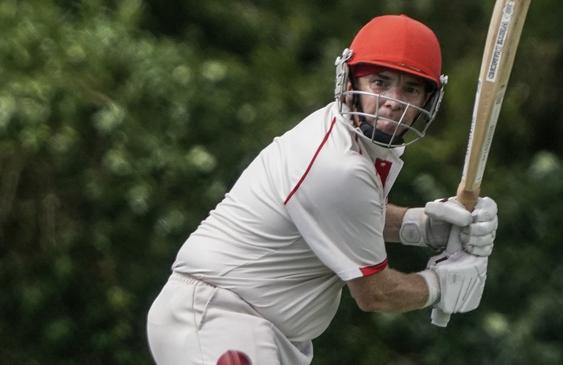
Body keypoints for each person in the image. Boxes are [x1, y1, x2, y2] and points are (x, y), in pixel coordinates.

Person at [147, 14, 498, 365]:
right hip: (219, 319)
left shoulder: (354, 141)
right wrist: (439, 286)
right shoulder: (339, 165)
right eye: (380, 82)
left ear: (428, 99)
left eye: (410, 88)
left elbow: (351, 218)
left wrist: (421, 225)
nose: (394, 100)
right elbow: (374, 295)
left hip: (259, 329)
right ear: (349, 81)